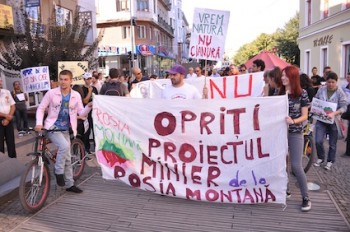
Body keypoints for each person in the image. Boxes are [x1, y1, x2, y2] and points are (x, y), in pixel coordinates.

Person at [35, 70, 92, 193]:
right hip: (52, 127)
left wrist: (88, 107)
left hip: (66, 128)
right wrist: (39, 123)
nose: (63, 82)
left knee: (66, 156)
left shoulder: (76, 95)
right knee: (65, 146)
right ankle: (58, 171)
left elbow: (81, 113)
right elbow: (41, 108)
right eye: (61, 79)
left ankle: (70, 184)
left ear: (71, 81)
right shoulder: (51, 93)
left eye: (66, 79)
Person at [278, 65, 311, 212]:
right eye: (282, 75)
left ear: (293, 77)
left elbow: (305, 115)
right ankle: (286, 189)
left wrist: (293, 121)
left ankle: (306, 197)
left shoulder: (301, 93)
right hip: (279, 133)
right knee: (282, 164)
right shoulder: (278, 92)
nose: (283, 77)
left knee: (296, 166)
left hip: (295, 132)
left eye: (285, 75)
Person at [313, 72, 347, 170]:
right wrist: (312, 106)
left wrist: (335, 113)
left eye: (333, 82)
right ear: (326, 82)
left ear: (336, 82)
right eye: (329, 82)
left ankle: (330, 161)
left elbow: (344, 106)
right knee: (318, 141)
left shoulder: (340, 92)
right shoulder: (321, 89)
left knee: (332, 143)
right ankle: (321, 157)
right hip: (321, 119)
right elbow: (316, 100)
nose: (331, 84)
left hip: (334, 121)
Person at [82, 72, 98, 155]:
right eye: (87, 79)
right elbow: (84, 101)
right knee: (87, 132)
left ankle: (96, 149)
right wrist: (89, 92)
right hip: (86, 114)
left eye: (90, 78)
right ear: (84, 80)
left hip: (94, 113)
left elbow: (98, 99)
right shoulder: (82, 89)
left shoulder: (94, 88)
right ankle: (86, 149)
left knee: (95, 131)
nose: (89, 80)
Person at [0, 79, 16, 158]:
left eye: (1, 81)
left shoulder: (6, 92)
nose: (0, 82)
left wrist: (8, 118)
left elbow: (12, 106)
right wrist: (6, 116)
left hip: (9, 119)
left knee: (11, 141)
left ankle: (13, 160)